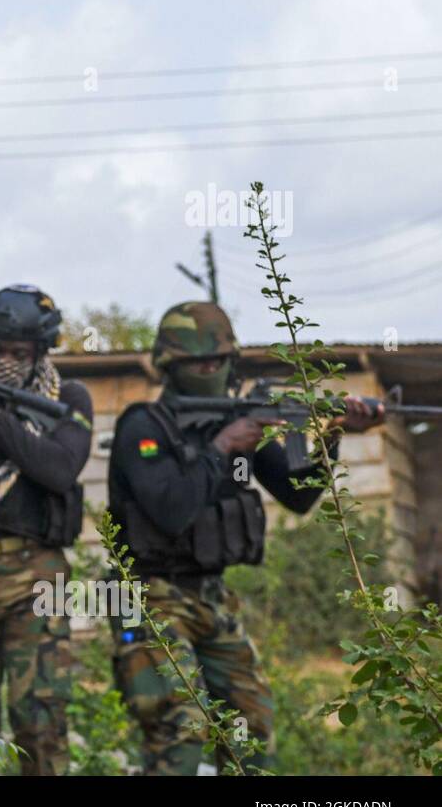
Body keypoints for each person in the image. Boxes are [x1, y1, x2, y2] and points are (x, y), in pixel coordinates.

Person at [107, 301, 383, 774]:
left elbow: (298, 497)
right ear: (171, 365)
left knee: (251, 726)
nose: (210, 369)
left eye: (217, 360)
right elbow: (171, 512)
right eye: (198, 362)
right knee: (180, 726)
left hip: (212, 595)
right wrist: (222, 448)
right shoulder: (144, 428)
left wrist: (332, 436)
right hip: (148, 596)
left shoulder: (235, 422)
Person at [0, 285, 92, 775]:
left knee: (41, 712)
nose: (4, 360)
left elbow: (59, 468)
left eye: (18, 353)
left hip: (36, 573)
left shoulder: (68, 398)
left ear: (42, 351)